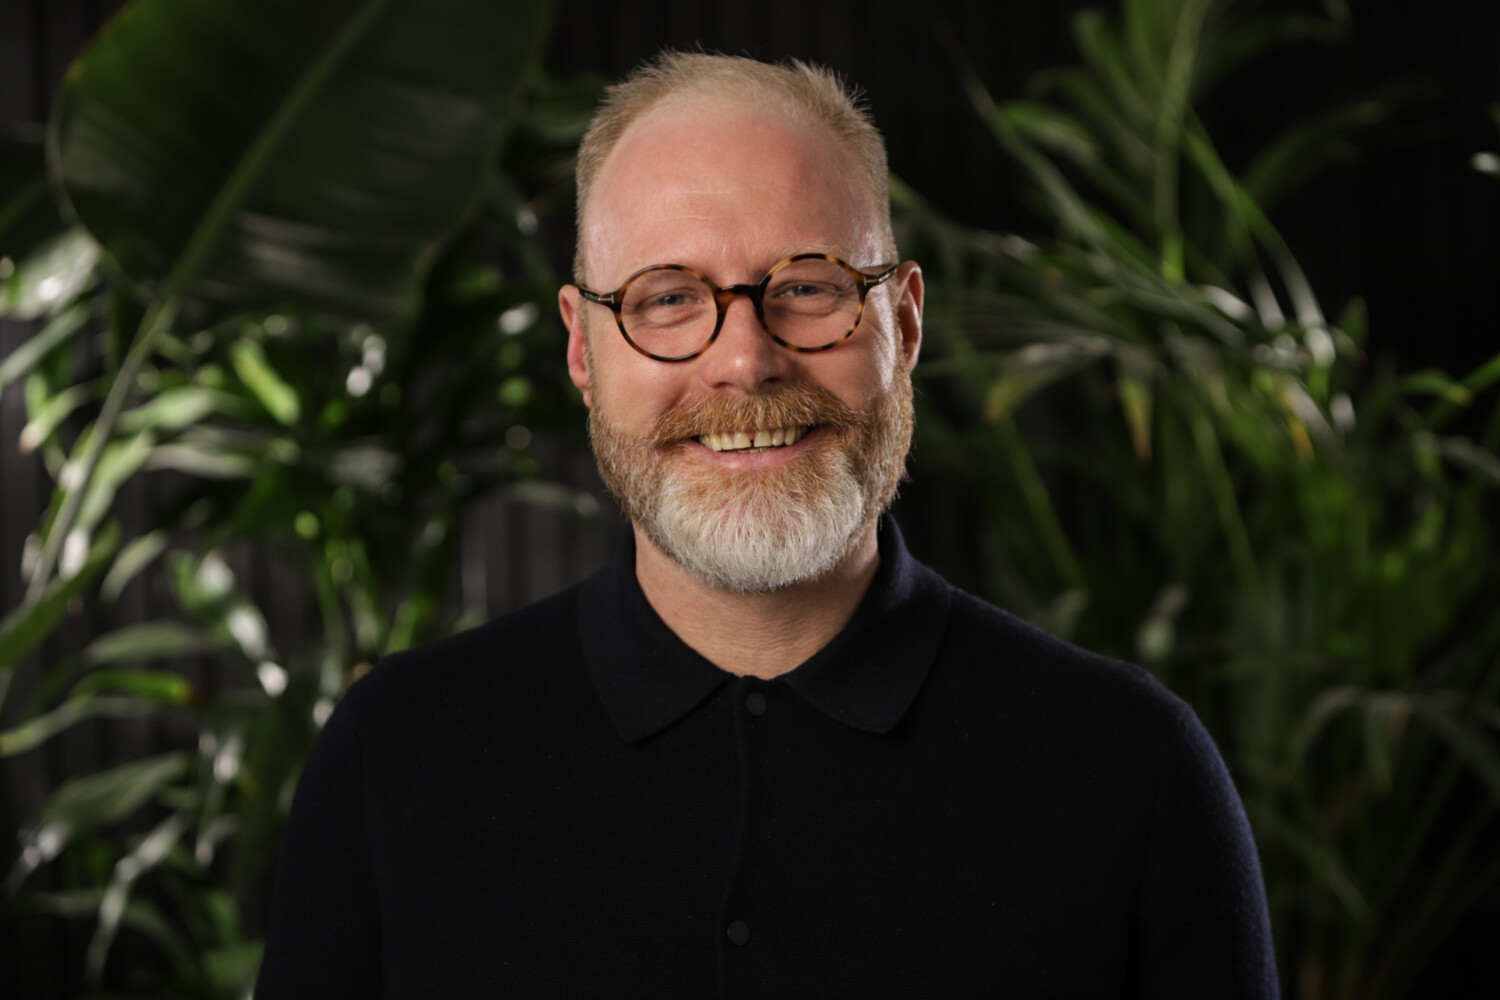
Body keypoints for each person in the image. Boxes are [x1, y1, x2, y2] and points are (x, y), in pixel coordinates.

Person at [257, 52, 1278, 997]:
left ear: (904, 323)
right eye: (666, 298)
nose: (744, 360)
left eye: (807, 287)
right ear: (581, 348)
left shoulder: (1132, 770)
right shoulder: (393, 761)